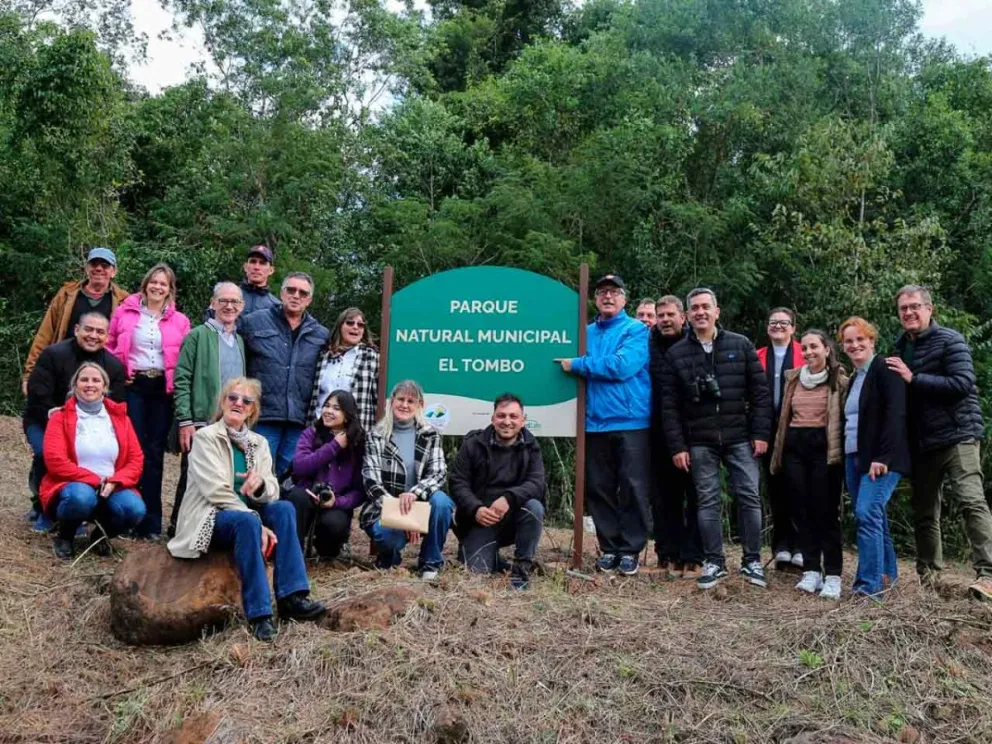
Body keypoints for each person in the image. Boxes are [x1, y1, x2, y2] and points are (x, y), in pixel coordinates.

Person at [168, 377, 326, 642]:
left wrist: (261, 484)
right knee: (248, 523)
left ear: (252, 410)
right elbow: (215, 491)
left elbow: (273, 487)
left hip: (247, 515)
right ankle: (259, 614)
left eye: (246, 401)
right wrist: (256, 520)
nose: (238, 403)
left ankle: (292, 597)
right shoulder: (206, 437)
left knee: (285, 509)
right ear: (223, 402)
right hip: (210, 515)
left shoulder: (258, 442)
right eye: (233, 397)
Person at [660, 288, 772, 590]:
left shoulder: (741, 344)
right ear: (687, 315)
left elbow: (760, 394)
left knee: (749, 496)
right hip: (699, 440)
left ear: (716, 311)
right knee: (707, 500)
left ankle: (752, 560)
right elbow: (669, 406)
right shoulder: (676, 354)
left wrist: (761, 433)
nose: (700, 312)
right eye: (695, 308)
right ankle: (714, 561)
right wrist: (677, 446)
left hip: (740, 436)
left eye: (705, 307)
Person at [888, 285, 992, 601]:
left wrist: (914, 378)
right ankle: (930, 580)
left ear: (929, 309)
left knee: (971, 501)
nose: (909, 312)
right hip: (923, 443)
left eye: (915, 306)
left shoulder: (950, 340)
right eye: (903, 308)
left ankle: (988, 575)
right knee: (924, 512)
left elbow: (962, 383)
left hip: (958, 434)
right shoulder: (897, 347)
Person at [556, 274, 651, 576]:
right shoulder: (584, 333)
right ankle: (609, 548)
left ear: (624, 298)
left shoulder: (636, 330)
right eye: (602, 293)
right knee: (599, 488)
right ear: (595, 299)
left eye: (614, 292)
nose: (607, 297)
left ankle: (631, 550)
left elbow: (623, 366)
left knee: (632, 488)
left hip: (631, 422)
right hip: (594, 424)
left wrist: (578, 365)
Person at [107, 262, 191, 538]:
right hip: (134, 386)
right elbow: (109, 344)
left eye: (163, 283)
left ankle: (151, 522)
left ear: (170, 289)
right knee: (132, 450)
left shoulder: (181, 321)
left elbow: (185, 357)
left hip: (161, 390)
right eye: (153, 282)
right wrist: (120, 371)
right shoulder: (125, 311)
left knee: (154, 453)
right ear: (145, 285)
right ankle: (126, 516)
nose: (157, 287)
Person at [23, 312, 128, 532]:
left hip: (90, 427)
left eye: (100, 332)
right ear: (76, 329)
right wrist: (59, 420)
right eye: (88, 329)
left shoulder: (115, 367)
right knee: (46, 454)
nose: (93, 335)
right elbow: (38, 394)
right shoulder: (52, 354)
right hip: (44, 420)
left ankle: (77, 512)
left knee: (85, 456)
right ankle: (44, 506)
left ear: (107, 336)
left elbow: (115, 407)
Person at [770, 330, 848, 600]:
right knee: (801, 510)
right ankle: (812, 569)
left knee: (825, 512)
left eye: (814, 346)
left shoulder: (839, 380)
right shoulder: (793, 378)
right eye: (804, 348)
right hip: (794, 447)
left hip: (824, 450)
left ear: (827, 349)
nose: (809, 352)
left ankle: (833, 574)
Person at [39, 363, 145, 560]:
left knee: (135, 509)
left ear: (104, 387)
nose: (90, 384)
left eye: (96, 380)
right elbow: (55, 460)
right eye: (84, 380)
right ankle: (65, 536)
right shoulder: (59, 417)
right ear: (75, 386)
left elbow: (136, 459)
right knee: (81, 498)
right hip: (73, 485)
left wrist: (115, 481)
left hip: (112, 486)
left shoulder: (121, 418)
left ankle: (100, 537)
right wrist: (95, 480)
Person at [839, 317, 910, 598]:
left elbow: (896, 414)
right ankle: (886, 577)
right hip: (854, 457)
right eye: (849, 341)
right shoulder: (855, 378)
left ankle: (868, 589)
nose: (855, 345)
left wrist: (883, 457)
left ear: (871, 341)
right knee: (874, 516)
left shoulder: (886, 368)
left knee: (866, 512)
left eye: (860, 339)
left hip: (881, 459)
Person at [170, 282, 247, 536]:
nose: (229, 306)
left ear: (242, 307)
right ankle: (178, 528)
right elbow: (182, 378)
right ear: (213, 303)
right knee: (192, 477)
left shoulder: (239, 341)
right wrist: (185, 420)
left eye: (234, 302)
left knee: (220, 478)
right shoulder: (197, 336)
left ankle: (206, 531)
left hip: (229, 424)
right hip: (201, 422)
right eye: (223, 300)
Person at [449, 394, 546, 590]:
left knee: (534, 507)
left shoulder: (531, 446)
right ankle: (494, 560)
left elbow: (537, 482)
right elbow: (457, 482)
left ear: (523, 420)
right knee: (476, 571)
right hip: (480, 520)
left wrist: (509, 498)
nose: (507, 421)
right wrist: (475, 508)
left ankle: (521, 568)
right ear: (493, 419)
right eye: (501, 416)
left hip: (514, 519)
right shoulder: (473, 444)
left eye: (513, 416)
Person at [360, 380, 453, 581]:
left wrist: (414, 495)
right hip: (384, 507)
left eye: (411, 401)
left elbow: (438, 473)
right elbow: (371, 483)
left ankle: (430, 564)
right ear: (392, 401)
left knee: (442, 502)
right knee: (388, 537)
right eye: (400, 399)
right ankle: (389, 560)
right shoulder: (376, 436)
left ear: (420, 405)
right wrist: (405, 516)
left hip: (420, 502)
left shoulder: (430, 434)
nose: (404, 405)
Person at [241, 272, 330, 476]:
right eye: (291, 290)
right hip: (262, 416)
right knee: (254, 474)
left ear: (309, 299)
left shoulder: (321, 334)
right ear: (281, 293)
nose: (296, 295)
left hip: (298, 420)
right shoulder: (253, 322)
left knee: (289, 478)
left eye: (302, 292)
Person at [22, 247, 129, 395]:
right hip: (63, 365)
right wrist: (30, 374)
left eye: (105, 266)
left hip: (101, 372)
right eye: (94, 264)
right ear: (87, 268)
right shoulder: (67, 294)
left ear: (114, 271)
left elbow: (128, 340)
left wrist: (128, 370)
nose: (99, 269)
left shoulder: (124, 300)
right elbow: (45, 333)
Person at [648, 295, 703, 578]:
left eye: (671, 315)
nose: (665, 320)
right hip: (656, 429)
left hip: (693, 429)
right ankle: (666, 552)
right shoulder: (648, 344)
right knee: (663, 496)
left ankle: (693, 555)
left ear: (683, 317)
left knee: (695, 494)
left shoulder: (697, 344)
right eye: (661, 315)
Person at [284, 389, 366, 560]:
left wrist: (337, 502)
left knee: (334, 526)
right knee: (296, 497)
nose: (328, 411)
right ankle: (293, 556)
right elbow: (299, 466)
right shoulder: (311, 433)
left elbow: (359, 491)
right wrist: (334, 446)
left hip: (335, 504)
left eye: (336, 408)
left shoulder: (358, 443)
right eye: (326, 406)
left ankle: (328, 550)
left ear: (347, 415)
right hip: (307, 496)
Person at [756, 307, 805, 570]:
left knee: (798, 486)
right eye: (773, 322)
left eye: (784, 322)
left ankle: (801, 545)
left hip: (798, 429)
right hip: (767, 431)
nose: (778, 326)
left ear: (793, 328)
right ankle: (781, 546)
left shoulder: (805, 353)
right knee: (774, 488)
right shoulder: (757, 356)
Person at [308, 307, 380, 433]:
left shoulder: (372, 357)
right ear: (340, 326)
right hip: (321, 427)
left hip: (354, 430)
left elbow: (378, 399)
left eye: (360, 325)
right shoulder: (323, 356)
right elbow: (314, 395)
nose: (355, 327)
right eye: (350, 323)